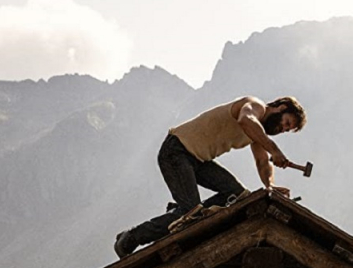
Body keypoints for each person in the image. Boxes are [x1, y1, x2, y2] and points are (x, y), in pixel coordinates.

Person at [114, 95, 307, 258]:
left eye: (287, 130)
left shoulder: (259, 133)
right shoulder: (255, 105)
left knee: (237, 195)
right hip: (177, 150)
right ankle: (133, 236)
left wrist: (270, 187)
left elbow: (262, 162)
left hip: (199, 161)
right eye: (286, 123)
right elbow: (245, 120)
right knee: (190, 216)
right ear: (281, 107)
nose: (283, 130)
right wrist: (274, 149)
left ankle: (185, 210)